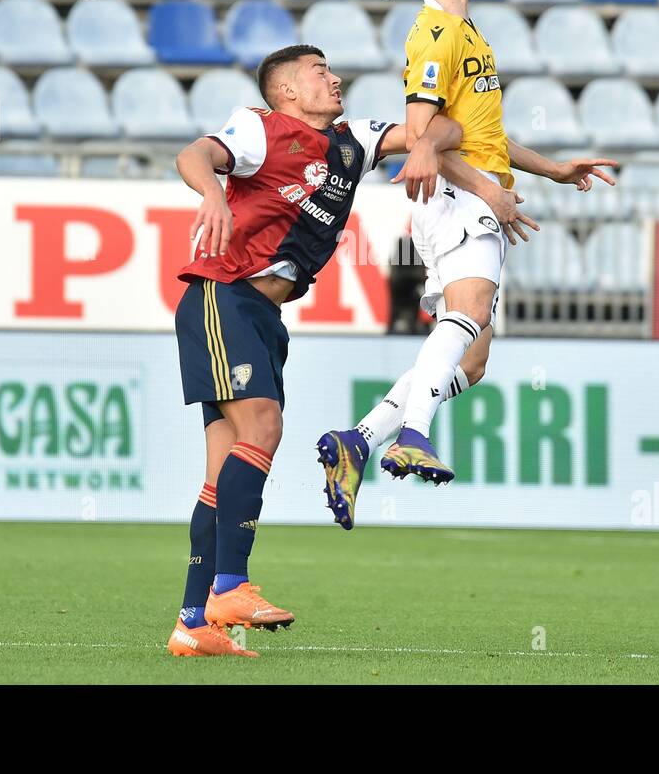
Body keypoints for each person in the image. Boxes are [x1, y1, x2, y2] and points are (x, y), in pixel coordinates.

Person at [166, 43, 477, 658]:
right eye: (319, 72)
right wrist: (213, 192)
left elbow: (449, 128)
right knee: (265, 425)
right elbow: (195, 153)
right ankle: (230, 586)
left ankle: (192, 624)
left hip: (261, 315)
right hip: (222, 295)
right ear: (285, 90)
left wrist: (421, 144)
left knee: (219, 470)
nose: (334, 79)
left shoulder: (352, 141)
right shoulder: (261, 127)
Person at [315, 0, 616, 531]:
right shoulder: (434, 35)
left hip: (476, 192)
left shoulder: (466, 30)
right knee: (470, 309)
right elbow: (425, 139)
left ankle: (360, 440)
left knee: (472, 362)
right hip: (460, 199)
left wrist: (551, 169)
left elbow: (479, 134)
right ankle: (415, 434)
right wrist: (489, 191)